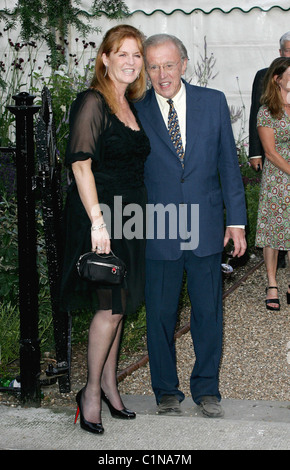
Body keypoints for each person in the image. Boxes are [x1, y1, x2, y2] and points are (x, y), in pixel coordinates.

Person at [135, 34, 247, 418]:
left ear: (184, 63)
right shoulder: (134, 109)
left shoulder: (213, 102)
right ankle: (166, 390)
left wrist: (236, 222)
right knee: (161, 315)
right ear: (146, 70)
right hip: (158, 229)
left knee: (208, 312)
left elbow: (228, 166)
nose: (162, 74)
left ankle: (207, 390)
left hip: (205, 224)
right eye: (153, 66)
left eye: (168, 64)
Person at [59, 24, 150, 434]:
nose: (131, 62)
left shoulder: (129, 104)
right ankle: (90, 391)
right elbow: (80, 163)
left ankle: (111, 386)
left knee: (121, 305)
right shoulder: (93, 101)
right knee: (110, 307)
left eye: (136, 55)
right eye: (123, 54)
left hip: (131, 218)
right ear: (105, 59)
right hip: (102, 218)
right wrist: (98, 222)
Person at [249, 32, 290, 269]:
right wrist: (256, 152)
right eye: (287, 50)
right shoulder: (264, 76)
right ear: (280, 52)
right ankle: (274, 273)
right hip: (275, 161)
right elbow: (257, 108)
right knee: (274, 222)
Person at [255, 57, 290, 311]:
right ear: (278, 79)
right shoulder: (268, 110)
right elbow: (270, 152)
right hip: (278, 177)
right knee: (273, 232)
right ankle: (272, 284)